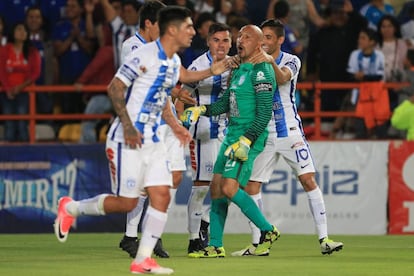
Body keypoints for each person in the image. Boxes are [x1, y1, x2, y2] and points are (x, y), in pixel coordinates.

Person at [54, 6, 196, 274]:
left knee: (161, 195)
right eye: (188, 26)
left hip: (152, 138)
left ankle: (143, 259)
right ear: (169, 28)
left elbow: (163, 96)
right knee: (127, 202)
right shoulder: (139, 50)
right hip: (128, 138)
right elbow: (115, 87)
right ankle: (71, 208)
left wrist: (175, 126)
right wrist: (130, 127)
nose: (193, 31)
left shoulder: (172, 61)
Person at [115, 1, 232, 260]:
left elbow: (170, 80)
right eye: (163, 23)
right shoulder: (134, 47)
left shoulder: (168, 53)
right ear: (150, 23)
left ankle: (150, 233)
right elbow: (138, 81)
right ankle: (131, 235)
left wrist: (177, 93)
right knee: (145, 182)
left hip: (167, 119)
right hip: (144, 121)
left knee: (175, 178)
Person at [230, 19, 343, 257]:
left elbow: (282, 78)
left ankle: (324, 239)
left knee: (308, 180)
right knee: (251, 186)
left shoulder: (292, 60)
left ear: (280, 40)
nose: (264, 42)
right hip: (263, 135)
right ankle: (258, 242)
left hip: (290, 132)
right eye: (262, 38)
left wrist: (267, 59)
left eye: (269, 38)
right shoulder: (249, 63)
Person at [180, 24, 279, 258]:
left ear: (258, 44)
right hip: (231, 135)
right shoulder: (240, 69)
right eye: (239, 37)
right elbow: (226, 104)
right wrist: (200, 109)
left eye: (245, 37)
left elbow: (265, 113)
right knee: (216, 189)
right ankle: (215, 245)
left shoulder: (262, 70)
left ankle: (267, 230)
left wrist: (246, 141)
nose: (239, 41)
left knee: (228, 187)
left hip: (248, 137)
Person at [181, 22, 232, 255]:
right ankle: (194, 239)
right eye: (216, 40)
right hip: (203, 132)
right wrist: (181, 126)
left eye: (225, 41)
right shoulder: (198, 66)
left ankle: (205, 224)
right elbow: (181, 96)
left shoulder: (235, 64)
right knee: (202, 186)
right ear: (208, 41)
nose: (221, 45)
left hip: (227, 132)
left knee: (228, 188)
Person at [0, 22, 41, 142]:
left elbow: (36, 73)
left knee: (22, 122)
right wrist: (8, 88)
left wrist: (20, 87)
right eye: (18, 29)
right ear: (13, 32)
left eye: (24, 30)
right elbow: (1, 71)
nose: (22, 32)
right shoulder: (4, 50)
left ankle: (26, 152)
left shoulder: (33, 52)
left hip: (25, 92)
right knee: (9, 123)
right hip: (7, 93)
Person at [347, 27, 387, 139]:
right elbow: (350, 74)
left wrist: (363, 76)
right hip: (359, 96)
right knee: (360, 126)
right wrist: (358, 76)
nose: (359, 40)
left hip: (376, 96)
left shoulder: (379, 55)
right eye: (359, 38)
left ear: (372, 42)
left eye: (363, 38)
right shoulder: (354, 54)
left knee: (379, 125)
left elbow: (380, 76)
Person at [391, 49, 414, 141]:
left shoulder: (409, 73)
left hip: (408, 106)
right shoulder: (403, 73)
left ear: (408, 60)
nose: (403, 60)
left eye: (405, 58)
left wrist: (401, 88)